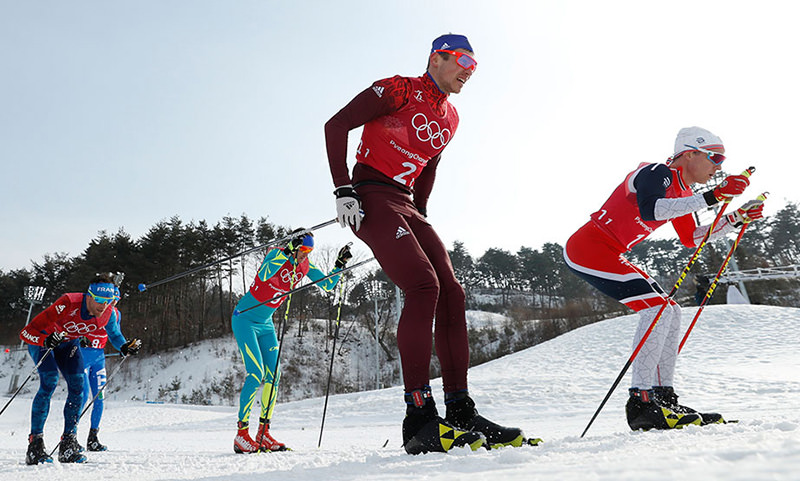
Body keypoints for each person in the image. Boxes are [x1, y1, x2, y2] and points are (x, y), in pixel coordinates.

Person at [325, 33, 528, 455]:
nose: (470, 72)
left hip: (406, 203)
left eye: (476, 66)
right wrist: (343, 189)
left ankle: (460, 411)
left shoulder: (451, 118)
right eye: (464, 61)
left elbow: (429, 165)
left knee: (452, 293)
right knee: (423, 286)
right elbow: (336, 125)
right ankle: (418, 417)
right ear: (438, 58)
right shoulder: (397, 89)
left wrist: (421, 212)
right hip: (370, 193)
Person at [563, 126, 766, 431]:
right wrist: (712, 197)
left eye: (722, 162)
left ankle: (663, 397)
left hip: (612, 252)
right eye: (715, 158)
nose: (718, 168)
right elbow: (652, 210)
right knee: (656, 309)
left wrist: (734, 219)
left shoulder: (684, 193)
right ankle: (642, 402)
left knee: (671, 310)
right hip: (588, 247)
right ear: (689, 153)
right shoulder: (657, 172)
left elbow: (692, 237)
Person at [230, 231, 352, 453]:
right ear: (294, 246)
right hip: (245, 319)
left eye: (309, 252)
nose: (305, 256)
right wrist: (286, 252)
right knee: (256, 374)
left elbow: (327, 285)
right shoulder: (275, 254)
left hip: (266, 323)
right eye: (303, 250)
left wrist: (339, 264)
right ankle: (241, 434)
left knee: (274, 377)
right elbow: (265, 275)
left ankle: (263, 433)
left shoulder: (304, 266)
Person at [20, 274, 128, 464]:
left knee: (78, 387)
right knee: (50, 381)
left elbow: (115, 335)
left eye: (108, 301)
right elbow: (27, 332)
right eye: (99, 300)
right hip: (43, 342)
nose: (103, 306)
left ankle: (68, 444)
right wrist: (44, 340)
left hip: (68, 344)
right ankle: (35, 445)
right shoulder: (68, 303)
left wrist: (125, 347)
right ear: (88, 296)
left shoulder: (109, 313)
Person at [80, 283, 142, 451]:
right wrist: (79, 338)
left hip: (98, 358)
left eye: (115, 300)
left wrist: (124, 347)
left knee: (99, 397)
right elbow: (76, 326)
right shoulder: (93, 309)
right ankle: (70, 436)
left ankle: (93, 437)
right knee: (83, 396)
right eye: (109, 300)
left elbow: (116, 334)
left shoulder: (115, 314)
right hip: (82, 356)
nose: (111, 304)